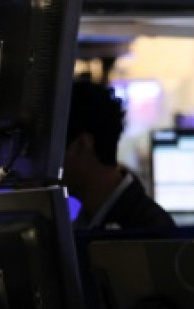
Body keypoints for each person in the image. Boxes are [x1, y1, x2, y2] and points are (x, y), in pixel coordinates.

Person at [62, 80, 175, 232]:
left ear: (82, 145)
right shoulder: (84, 219)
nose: (46, 163)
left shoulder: (149, 232)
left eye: (54, 148)